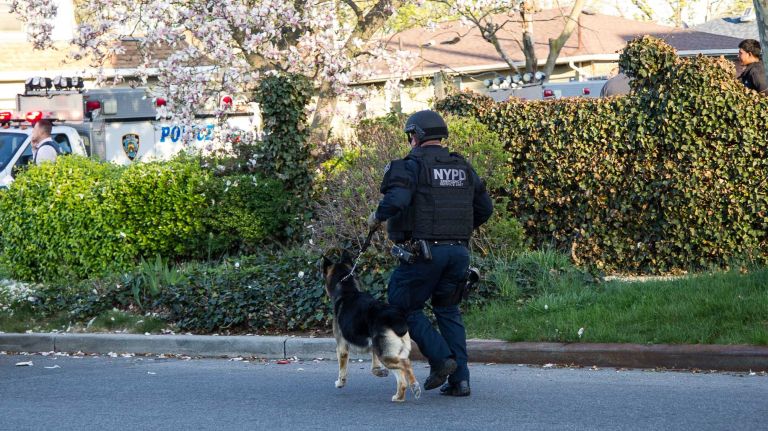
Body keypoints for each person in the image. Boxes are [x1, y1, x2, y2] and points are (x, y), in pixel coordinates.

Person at [368, 110, 493, 397]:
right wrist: (454, 231)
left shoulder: (410, 166)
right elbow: (485, 209)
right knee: (448, 310)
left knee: (402, 307)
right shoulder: (462, 167)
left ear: (416, 136)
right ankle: (460, 381)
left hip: (423, 254)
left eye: (410, 135)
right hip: (458, 253)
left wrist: (377, 216)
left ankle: (441, 359)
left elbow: (397, 199)